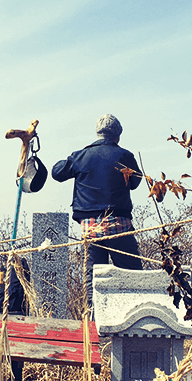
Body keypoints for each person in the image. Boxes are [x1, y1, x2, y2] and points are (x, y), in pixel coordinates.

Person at [51, 114, 143, 308]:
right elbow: (135, 182)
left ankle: (94, 320)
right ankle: (133, 316)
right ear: (117, 135)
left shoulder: (80, 156)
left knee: (94, 277)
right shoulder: (125, 156)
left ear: (97, 133)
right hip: (119, 223)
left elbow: (57, 173)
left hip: (90, 227)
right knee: (132, 275)